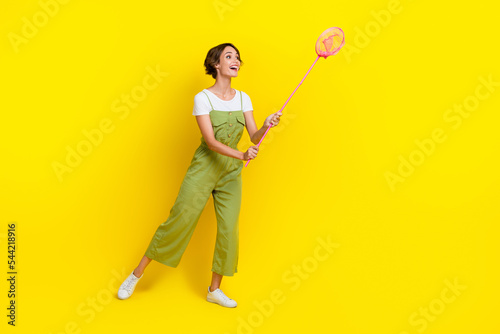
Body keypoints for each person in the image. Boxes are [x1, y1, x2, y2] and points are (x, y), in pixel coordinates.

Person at [117, 43, 282, 307]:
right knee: (179, 219)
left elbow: (253, 137)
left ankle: (214, 290)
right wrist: (241, 155)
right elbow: (211, 141)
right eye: (229, 56)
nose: (236, 60)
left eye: (238, 57)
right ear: (216, 64)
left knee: (229, 230)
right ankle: (136, 275)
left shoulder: (244, 99)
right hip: (205, 168)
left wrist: (265, 125)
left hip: (230, 174)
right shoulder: (202, 98)